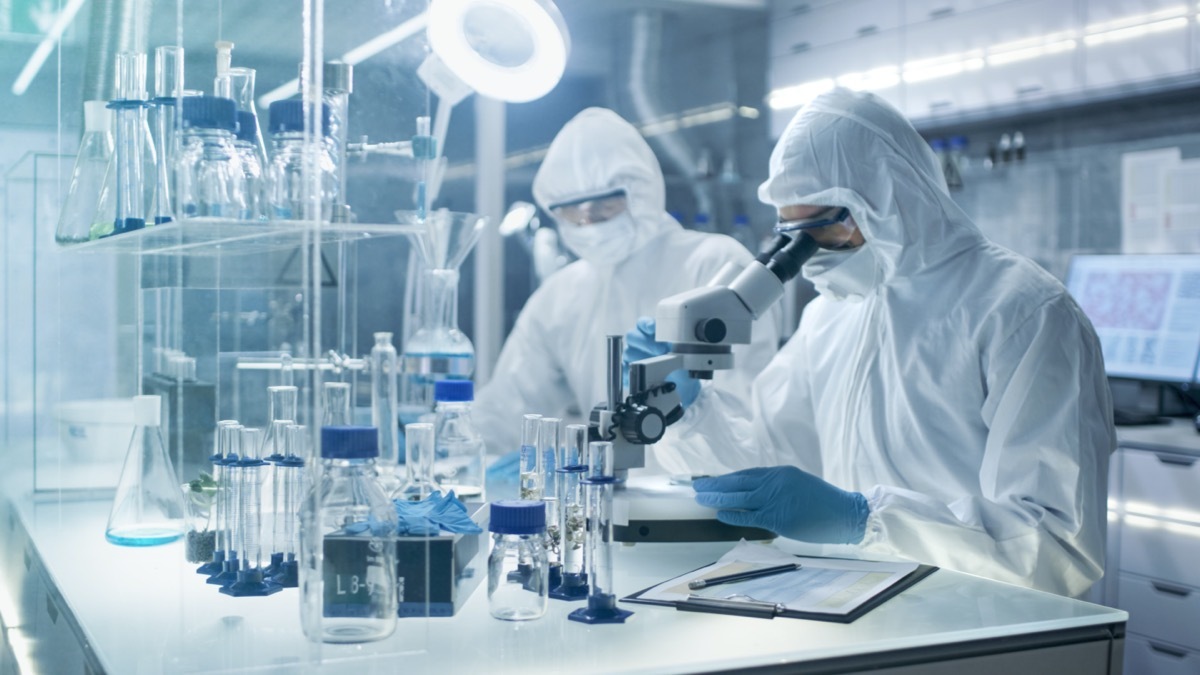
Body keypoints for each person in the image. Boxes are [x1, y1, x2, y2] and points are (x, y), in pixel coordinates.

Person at [632, 88, 1113, 597]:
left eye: (826, 229)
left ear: (892, 198)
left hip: (980, 618)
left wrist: (865, 521)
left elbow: (1055, 545)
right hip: (849, 604)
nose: (812, 255)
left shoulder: (1022, 311)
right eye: (794, 234)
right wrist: (686, 411)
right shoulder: (829, 316)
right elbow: (763, 474)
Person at [474, 107, 782, 475]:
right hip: (603, 496)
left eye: (605, 206)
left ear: (643, 191)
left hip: (702, 496)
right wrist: (458, 450)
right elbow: (508, 405)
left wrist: (689, 409)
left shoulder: (716, 264)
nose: (589, 223)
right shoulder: (559, 295)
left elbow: (747, 421)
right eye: (572, 213)